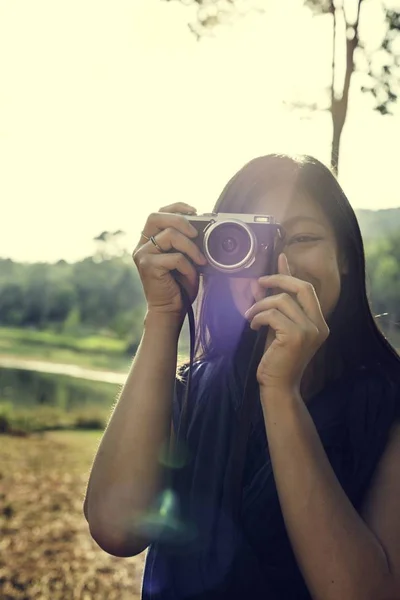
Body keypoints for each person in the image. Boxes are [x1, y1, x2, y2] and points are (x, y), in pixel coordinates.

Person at [83, 154, 400, 600]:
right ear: (213, 258)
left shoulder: (389, 408)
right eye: (245, 241)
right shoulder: (193, 391)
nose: (278, 260)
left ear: (344, 256)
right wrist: (163, 315)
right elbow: (116, 530)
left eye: (304, 236)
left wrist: (281, 392)